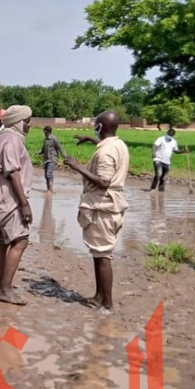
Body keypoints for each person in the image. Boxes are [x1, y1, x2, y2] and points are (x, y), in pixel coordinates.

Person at [64, 111, 130, 311]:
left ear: (101, 126)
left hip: (102, 206)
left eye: (96, 125)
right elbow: (105, 147)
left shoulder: (105, 153)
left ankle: (107, 302)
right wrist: (91, 139)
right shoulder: (118, 144)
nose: (94, 126)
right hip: (111, 205)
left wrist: (76, 167)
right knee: (98, 253)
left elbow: (103, 182)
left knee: (103, 256)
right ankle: (99, 296)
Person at [0, 105, 33, 306]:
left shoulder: (2, 138)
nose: (30, 125)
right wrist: (24, 204)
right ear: (18, 122)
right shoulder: (12, 140)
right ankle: (4, 289)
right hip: (9, 200)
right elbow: (12, 173)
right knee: (20, 240)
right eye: (27, 121)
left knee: (1, 242)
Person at [150, 128, 187, 192]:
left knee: (164, 178)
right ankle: (153, 189)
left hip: (167, 162)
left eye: (171, 135)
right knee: (159, 174)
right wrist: (153, 153)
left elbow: (175, 151)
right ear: (166, 133)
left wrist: (183, 151)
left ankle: (161, 191)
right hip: (158, 159)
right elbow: (154, 146)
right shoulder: (161, 139)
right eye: (168, 134)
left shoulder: (174, 142)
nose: (169, 136)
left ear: (173, 136)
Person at [37, 126, 67, 192]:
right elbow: (43, 149)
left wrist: (65, 156)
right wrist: (39, 152)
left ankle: (51, 190)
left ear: (46, 131)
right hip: (46, 159)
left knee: (49, 174)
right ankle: (48, 189)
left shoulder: (54, 139)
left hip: (52, 159)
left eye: (44, 131)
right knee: (46, 175)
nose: (43, 133)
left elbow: (60, 147)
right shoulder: (45, 140)